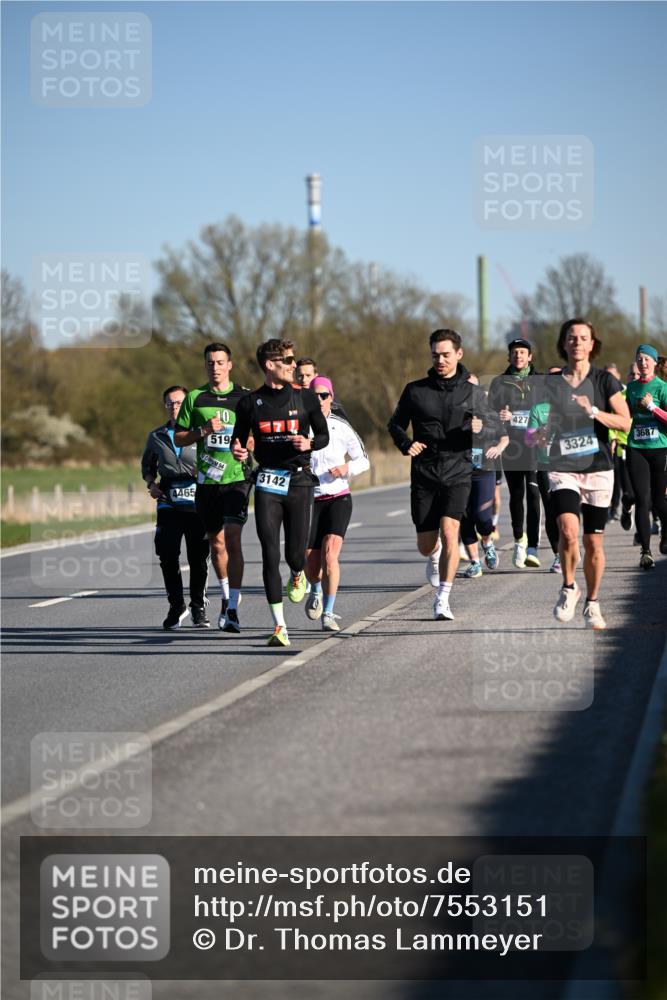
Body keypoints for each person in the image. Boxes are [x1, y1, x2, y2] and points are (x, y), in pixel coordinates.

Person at [388, 329, 502, 621]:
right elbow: (395, 425)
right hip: (425, 473)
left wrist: (482, 430)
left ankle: (443, 599)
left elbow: (494, 428)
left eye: (446, 354)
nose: (440, 360)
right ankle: (434, 555)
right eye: (435, 355)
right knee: (426, 544)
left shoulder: (473, 392)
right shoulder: (416, 390)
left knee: (452, 532)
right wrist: (406, 443)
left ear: (459, 354)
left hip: (458, 469)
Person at [535, 319, 631, 629]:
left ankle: (592, 602)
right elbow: (537, 422)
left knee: (594, 543)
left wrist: (593, 413)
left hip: (599, 468)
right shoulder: (550, 384)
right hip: (563, 466)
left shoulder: (605, 382)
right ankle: (568, 587)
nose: (577, 342)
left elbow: (625, 422)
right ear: (563, 344)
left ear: (592, 344)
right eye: (571, 337)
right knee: (567, 531)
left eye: (583, 338)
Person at [232, 339, 329, 647]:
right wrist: (238, 450)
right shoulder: (249, 403)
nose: (293, 365)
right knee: (270, 554)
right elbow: (239, 440)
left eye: (294, 360)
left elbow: (323, 435)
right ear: (269, 365)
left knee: (295, 554)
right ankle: (279, 626)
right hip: (268, 483)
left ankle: (298, 573)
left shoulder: (307, 398)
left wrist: (310, 444)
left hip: (299, 481)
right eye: (287, 360)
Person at [173, 343, 251, 633]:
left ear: (229, 365)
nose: (215, 367)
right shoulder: (196, 398)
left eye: (220, 362)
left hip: (237, 479)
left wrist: (247, 449)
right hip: (207, 482)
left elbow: (256, 437)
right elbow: (179, 438)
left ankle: (232, 608)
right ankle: (226, 595)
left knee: (233, 538)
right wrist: (202, 431)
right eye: (210, 363)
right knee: (216, 544)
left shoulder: (245, 397)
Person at [304, 375, 370, 630]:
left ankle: (329, 613)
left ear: (331, 397)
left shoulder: (341, 426)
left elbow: (363, 460)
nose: (319, 400)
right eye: (315, 395)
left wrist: (347, 468)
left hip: (338, 497)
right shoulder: (300, 425)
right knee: (312, 564)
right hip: (309, 499)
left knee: (330, 555)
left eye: (324, 395)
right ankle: (316, 589)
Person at [142, 386, 211, 629]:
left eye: (179, 402)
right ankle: (176, 605)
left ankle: (198, 606)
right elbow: (147, 466)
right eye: (170, 403)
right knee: (167, 552)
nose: (175, 407)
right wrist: (151, 484)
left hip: (197, 498)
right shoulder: (157, 435)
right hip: (168, 499)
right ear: (165, 406)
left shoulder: (201, 432)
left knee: (198, 555)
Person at [488, 338, 548, 569]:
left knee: (534, 495)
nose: (519, 356)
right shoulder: (499, 383)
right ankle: (519, 539)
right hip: (511, 446)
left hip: (534, 445)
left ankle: (533, 546)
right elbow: (489, 414)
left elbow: (550, 410)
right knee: (515, 495)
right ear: (509, 357)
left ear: (530, 357)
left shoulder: (541, 382)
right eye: (514, 353)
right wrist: (500, 417)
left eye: (523, 352)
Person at [460, 375, 508, 577]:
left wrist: (498, 447)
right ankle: (474, 563)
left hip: (484, 469)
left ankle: (487, 542)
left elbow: (504, 437)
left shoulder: (489, 413)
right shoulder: (453, 413)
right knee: (465, 517)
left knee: (482, 517)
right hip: (459, 472)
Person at [624, 343, 667, 568]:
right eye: (639, 359)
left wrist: (652, 408)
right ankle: (646, 551)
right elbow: (624, 416)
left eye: (646, 359)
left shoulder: (662, 387)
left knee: (660, 502)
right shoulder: (630, 389)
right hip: (636, 448)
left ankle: (666, 534)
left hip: (660, 449)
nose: (642, 363)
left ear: (654, 363)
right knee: (643, 499)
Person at [524, 366, 564, 573]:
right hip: (545, 466)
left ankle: (571, 548)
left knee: (567, 511)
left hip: (568, 467)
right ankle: (558, 555)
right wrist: (539, 432)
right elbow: (528, 440)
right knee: (550, 512)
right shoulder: (539, 409)